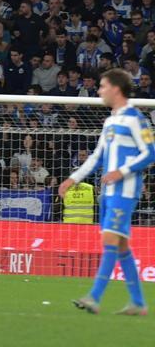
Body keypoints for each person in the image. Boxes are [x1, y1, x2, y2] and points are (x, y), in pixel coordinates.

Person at [59, 68, 154, 315]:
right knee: (121, 246)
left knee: (109, 240)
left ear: (116, 88)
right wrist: (72, 178)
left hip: (126, 190)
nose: (99, 91)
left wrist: (121, 172)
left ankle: (94, 297)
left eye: (102, 86)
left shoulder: (136, 118)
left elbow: (150, 153)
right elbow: (97, 156)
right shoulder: (110, 122)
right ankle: (138, 303)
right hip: (109, 192)